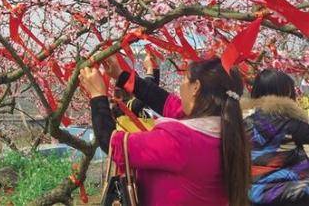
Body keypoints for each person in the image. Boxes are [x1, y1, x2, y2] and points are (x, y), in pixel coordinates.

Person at [80, 56, 250, 206]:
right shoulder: (226, 131)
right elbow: (167, 103)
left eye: (184, 79)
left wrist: (97, 95)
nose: (180, 87)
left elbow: (113, 144)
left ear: (196, 87)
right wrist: (121, 76)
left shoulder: (179, 139)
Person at [243, 69, 309, 206]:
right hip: (294, 194)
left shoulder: (244, 124)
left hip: (254, 193)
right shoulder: (293, 123)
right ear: (286, 94)